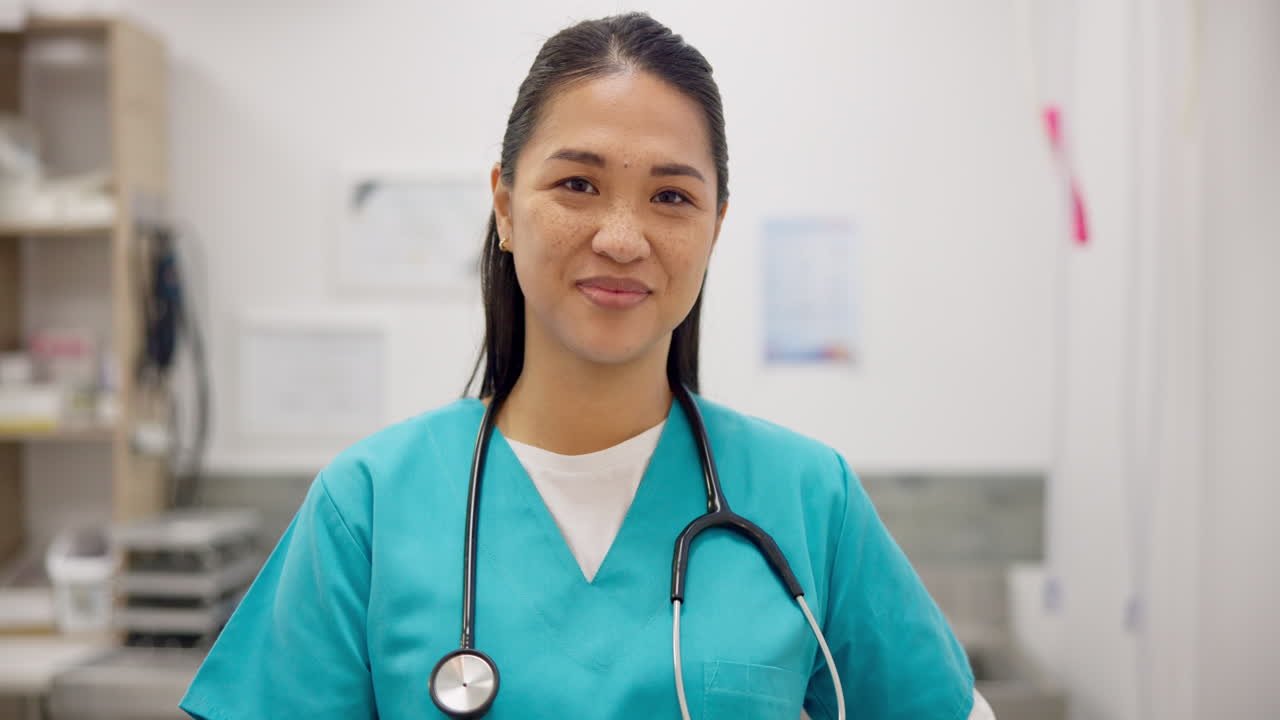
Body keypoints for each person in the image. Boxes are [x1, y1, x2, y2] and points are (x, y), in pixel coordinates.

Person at [180, 12, 995, 720]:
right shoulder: (369, 507)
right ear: (505, 205)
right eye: (578, 184)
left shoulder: (809, 500)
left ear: (714, 228)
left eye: (671, 197)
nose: (622, 238)